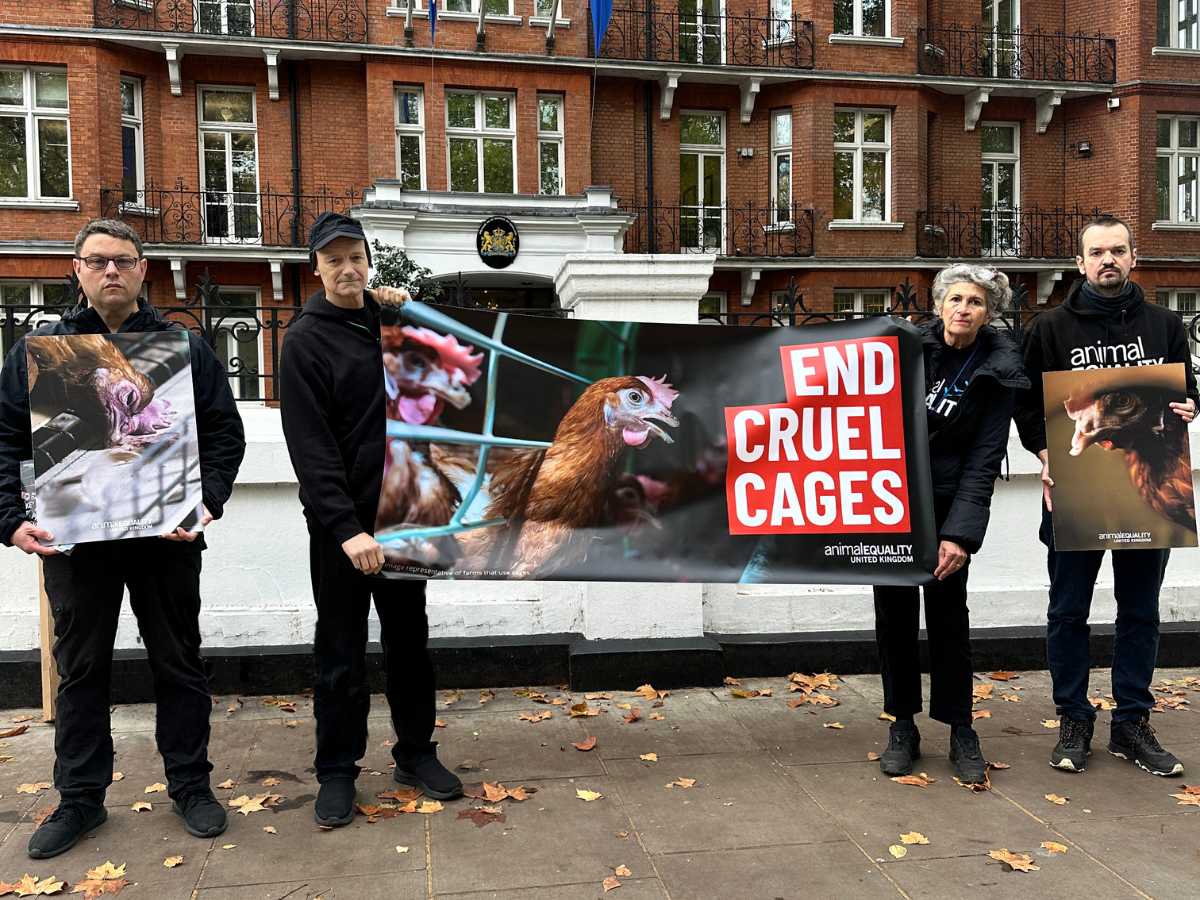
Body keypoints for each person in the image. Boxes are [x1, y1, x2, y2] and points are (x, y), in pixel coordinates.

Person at [0, 219, 246, 858]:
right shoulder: (40, 353)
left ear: (144, 271)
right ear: (77, 271)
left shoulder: (183, 350)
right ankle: (80, 799)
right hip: (76, 541)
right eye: (97, 261)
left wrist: (206, 502)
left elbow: (224, 436)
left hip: (165, 537)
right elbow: (5, 442)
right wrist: (10, 519)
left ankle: (191, 786)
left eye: (124, 261)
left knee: (180, 664)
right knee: (81, 671)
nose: (112, 271)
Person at [279, 212, 462, 828]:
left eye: (355, 256)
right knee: (340, 650)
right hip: (343, 529)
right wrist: (345, 527)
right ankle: (336, 772)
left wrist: (402, 309)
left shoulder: (388, 323)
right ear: (317, 268)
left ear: (368, 260)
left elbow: (439, 369)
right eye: (333, 260)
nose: (347, 268)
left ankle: (416, 753)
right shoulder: (303, 340)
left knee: (411, 643)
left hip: (404, 514)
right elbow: (310, 445)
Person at [1015, 215, 1196, 777]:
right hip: (1075, 493)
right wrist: (1045, 457)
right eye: (1097, 252)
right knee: (1068, 610)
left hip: (1146, 497)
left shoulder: (1166, 324)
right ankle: (1073, 717)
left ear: (1133, 257)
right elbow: (1025, 405)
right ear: (1080, 263)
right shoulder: (1049, 328)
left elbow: (1183, 392)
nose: (1108, 260)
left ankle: (1132, 723)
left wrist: (1189, 407)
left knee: (1138, 610)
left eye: (1118, 249)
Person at [874, 264, 1029, 784]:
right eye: (956, 299)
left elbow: (985, 457)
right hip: (891, 504)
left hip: (946, 509)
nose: (964, 309)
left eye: (976, 302)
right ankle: (902, 726)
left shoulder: (998, 368)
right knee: (893, 618)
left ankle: (961, 727)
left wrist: (959, 534)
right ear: (939, 304)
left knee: (948, 620)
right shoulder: (902, 351)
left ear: (989, 314)